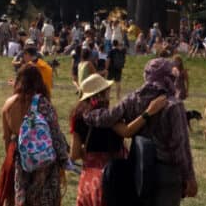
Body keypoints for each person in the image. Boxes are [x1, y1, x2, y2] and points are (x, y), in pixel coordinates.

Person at [83, 58, 197, 205]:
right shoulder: (173, 105)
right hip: (167, 172)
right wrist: (188, 176)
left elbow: (108, 117)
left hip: (140, 170)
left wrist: (88, 115)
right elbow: (180, 146)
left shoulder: (134, 99)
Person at [71, 74, 167, 206]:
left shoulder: (78, 117)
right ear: (100, 94)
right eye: (106, 92)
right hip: (110, 177)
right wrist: (149, 112)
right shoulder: (107, 117)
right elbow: (127, 131)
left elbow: (74, 154)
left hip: (88, 180)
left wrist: (91, 155)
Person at [0, 64, 69, 206]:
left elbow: (6, 139)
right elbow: (55, 133)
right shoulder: (43, 103)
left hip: (20, 159)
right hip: (45, 161)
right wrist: (64, 159)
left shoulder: (8, 104)